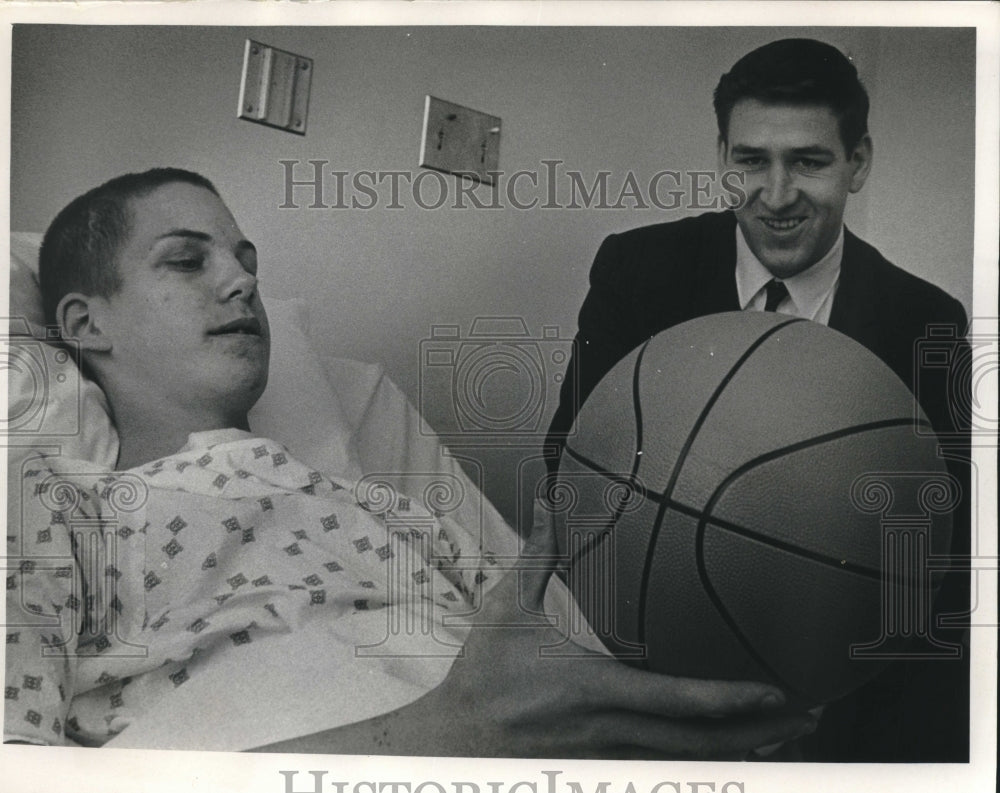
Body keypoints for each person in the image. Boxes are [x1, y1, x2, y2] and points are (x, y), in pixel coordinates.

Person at [5, 167, 818, 756]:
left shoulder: (393, 511)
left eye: (248, 263)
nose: (241, 284)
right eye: (188, 261)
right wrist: (432, 739)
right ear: (83, 321)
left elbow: (556, 685)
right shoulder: (58, 513)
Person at [545, 39, 971, 761]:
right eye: (751, 161)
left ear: (857, 162)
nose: (775, 196)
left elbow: (934, 542)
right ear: (722, 158)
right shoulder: (640, 267)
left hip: (829, 658)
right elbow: (570, 458)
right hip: (649, 629)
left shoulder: (923, 317)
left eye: (809, 161)